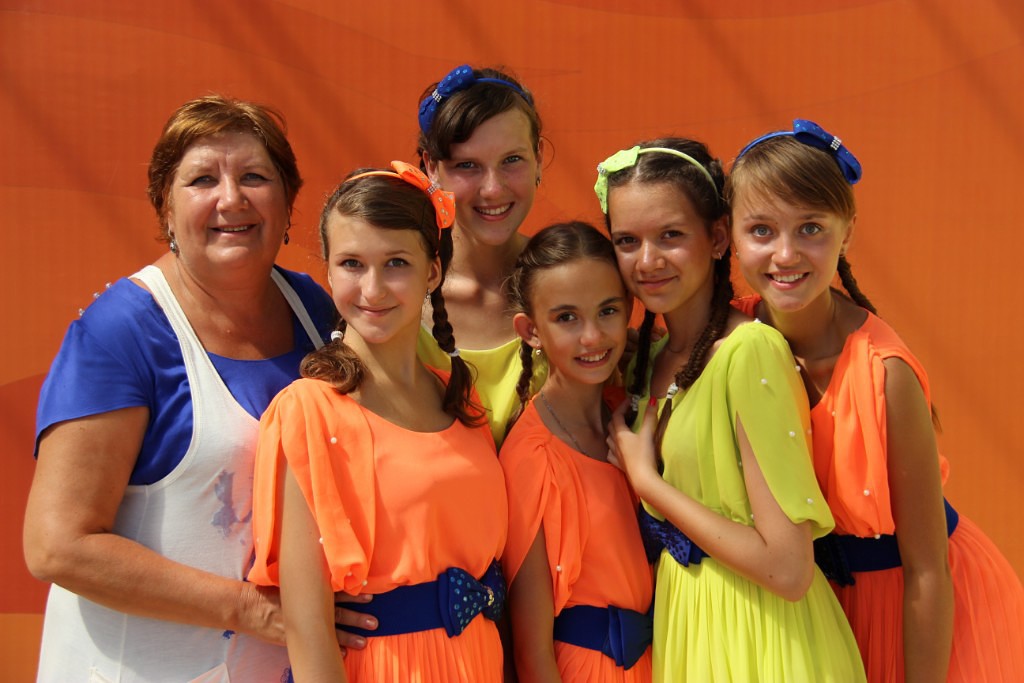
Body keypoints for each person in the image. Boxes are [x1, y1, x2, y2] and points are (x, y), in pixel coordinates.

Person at [22, 95, 372, 682]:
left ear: (288, 202)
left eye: (254, 177)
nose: (231, 199)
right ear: (165, 206)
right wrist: (254, 610)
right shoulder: (120, 332)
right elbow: (59, 545)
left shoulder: (318, 310)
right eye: (203, 180)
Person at [728, 118, 1024, 682]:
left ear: (847, 233)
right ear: (731, 235)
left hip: (920, 613)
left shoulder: (886, 373)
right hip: (814, 611)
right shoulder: (726, 338)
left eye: (811, 228)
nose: (785, 254)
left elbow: (928, 569)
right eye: (761, 230)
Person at [596, 138, 865, 682]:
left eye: (671, 235)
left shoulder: (749, 353)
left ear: (718, 237)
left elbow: (788, 569)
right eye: (627, 241)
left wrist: (648, 484)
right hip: (689, 633)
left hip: (763, 643)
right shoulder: (648, 362)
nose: (647, 261)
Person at [247, 161, 509, 682]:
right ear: (327, 270)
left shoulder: (460, 398)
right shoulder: (309, 411)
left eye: (396, 263)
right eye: (351, 264)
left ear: (432, 271)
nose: (373, 289)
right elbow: (307, 628)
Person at [500, 221, 654, 682]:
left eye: (607, 311)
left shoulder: (632, 415)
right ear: (531, 330)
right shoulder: (531, 456)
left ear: (629, 309)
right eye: (567, 318)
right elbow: (531, 650)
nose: (592, 337)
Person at [415, 64, 548, 446]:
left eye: (512, 160)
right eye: (467, 166)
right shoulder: (395, 295)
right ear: (431, 167)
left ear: (538, 157)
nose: (492, 189)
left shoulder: (575, 279)